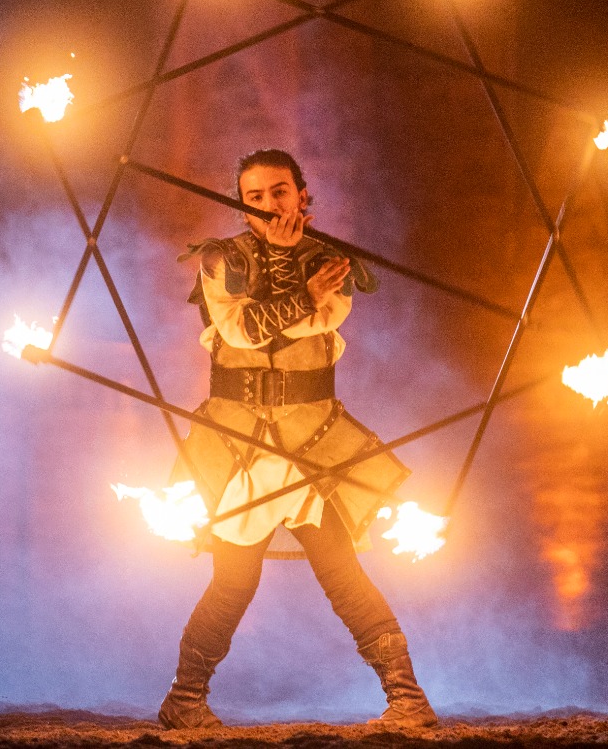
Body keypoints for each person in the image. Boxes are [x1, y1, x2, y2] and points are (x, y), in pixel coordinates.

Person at [158, 149, 437, 729]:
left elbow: (319, 321)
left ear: (302, 195)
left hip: (309, 443)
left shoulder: (332, 260)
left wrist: (299, 279)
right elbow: (242, 329)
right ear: (240, 203)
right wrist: (299, 287)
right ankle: (184, 703)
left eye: (280, 192)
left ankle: (407, 701)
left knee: (342, 571)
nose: (268, 205)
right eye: (254, 196)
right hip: (241, 447)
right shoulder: (219, 261)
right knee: (234, 579)